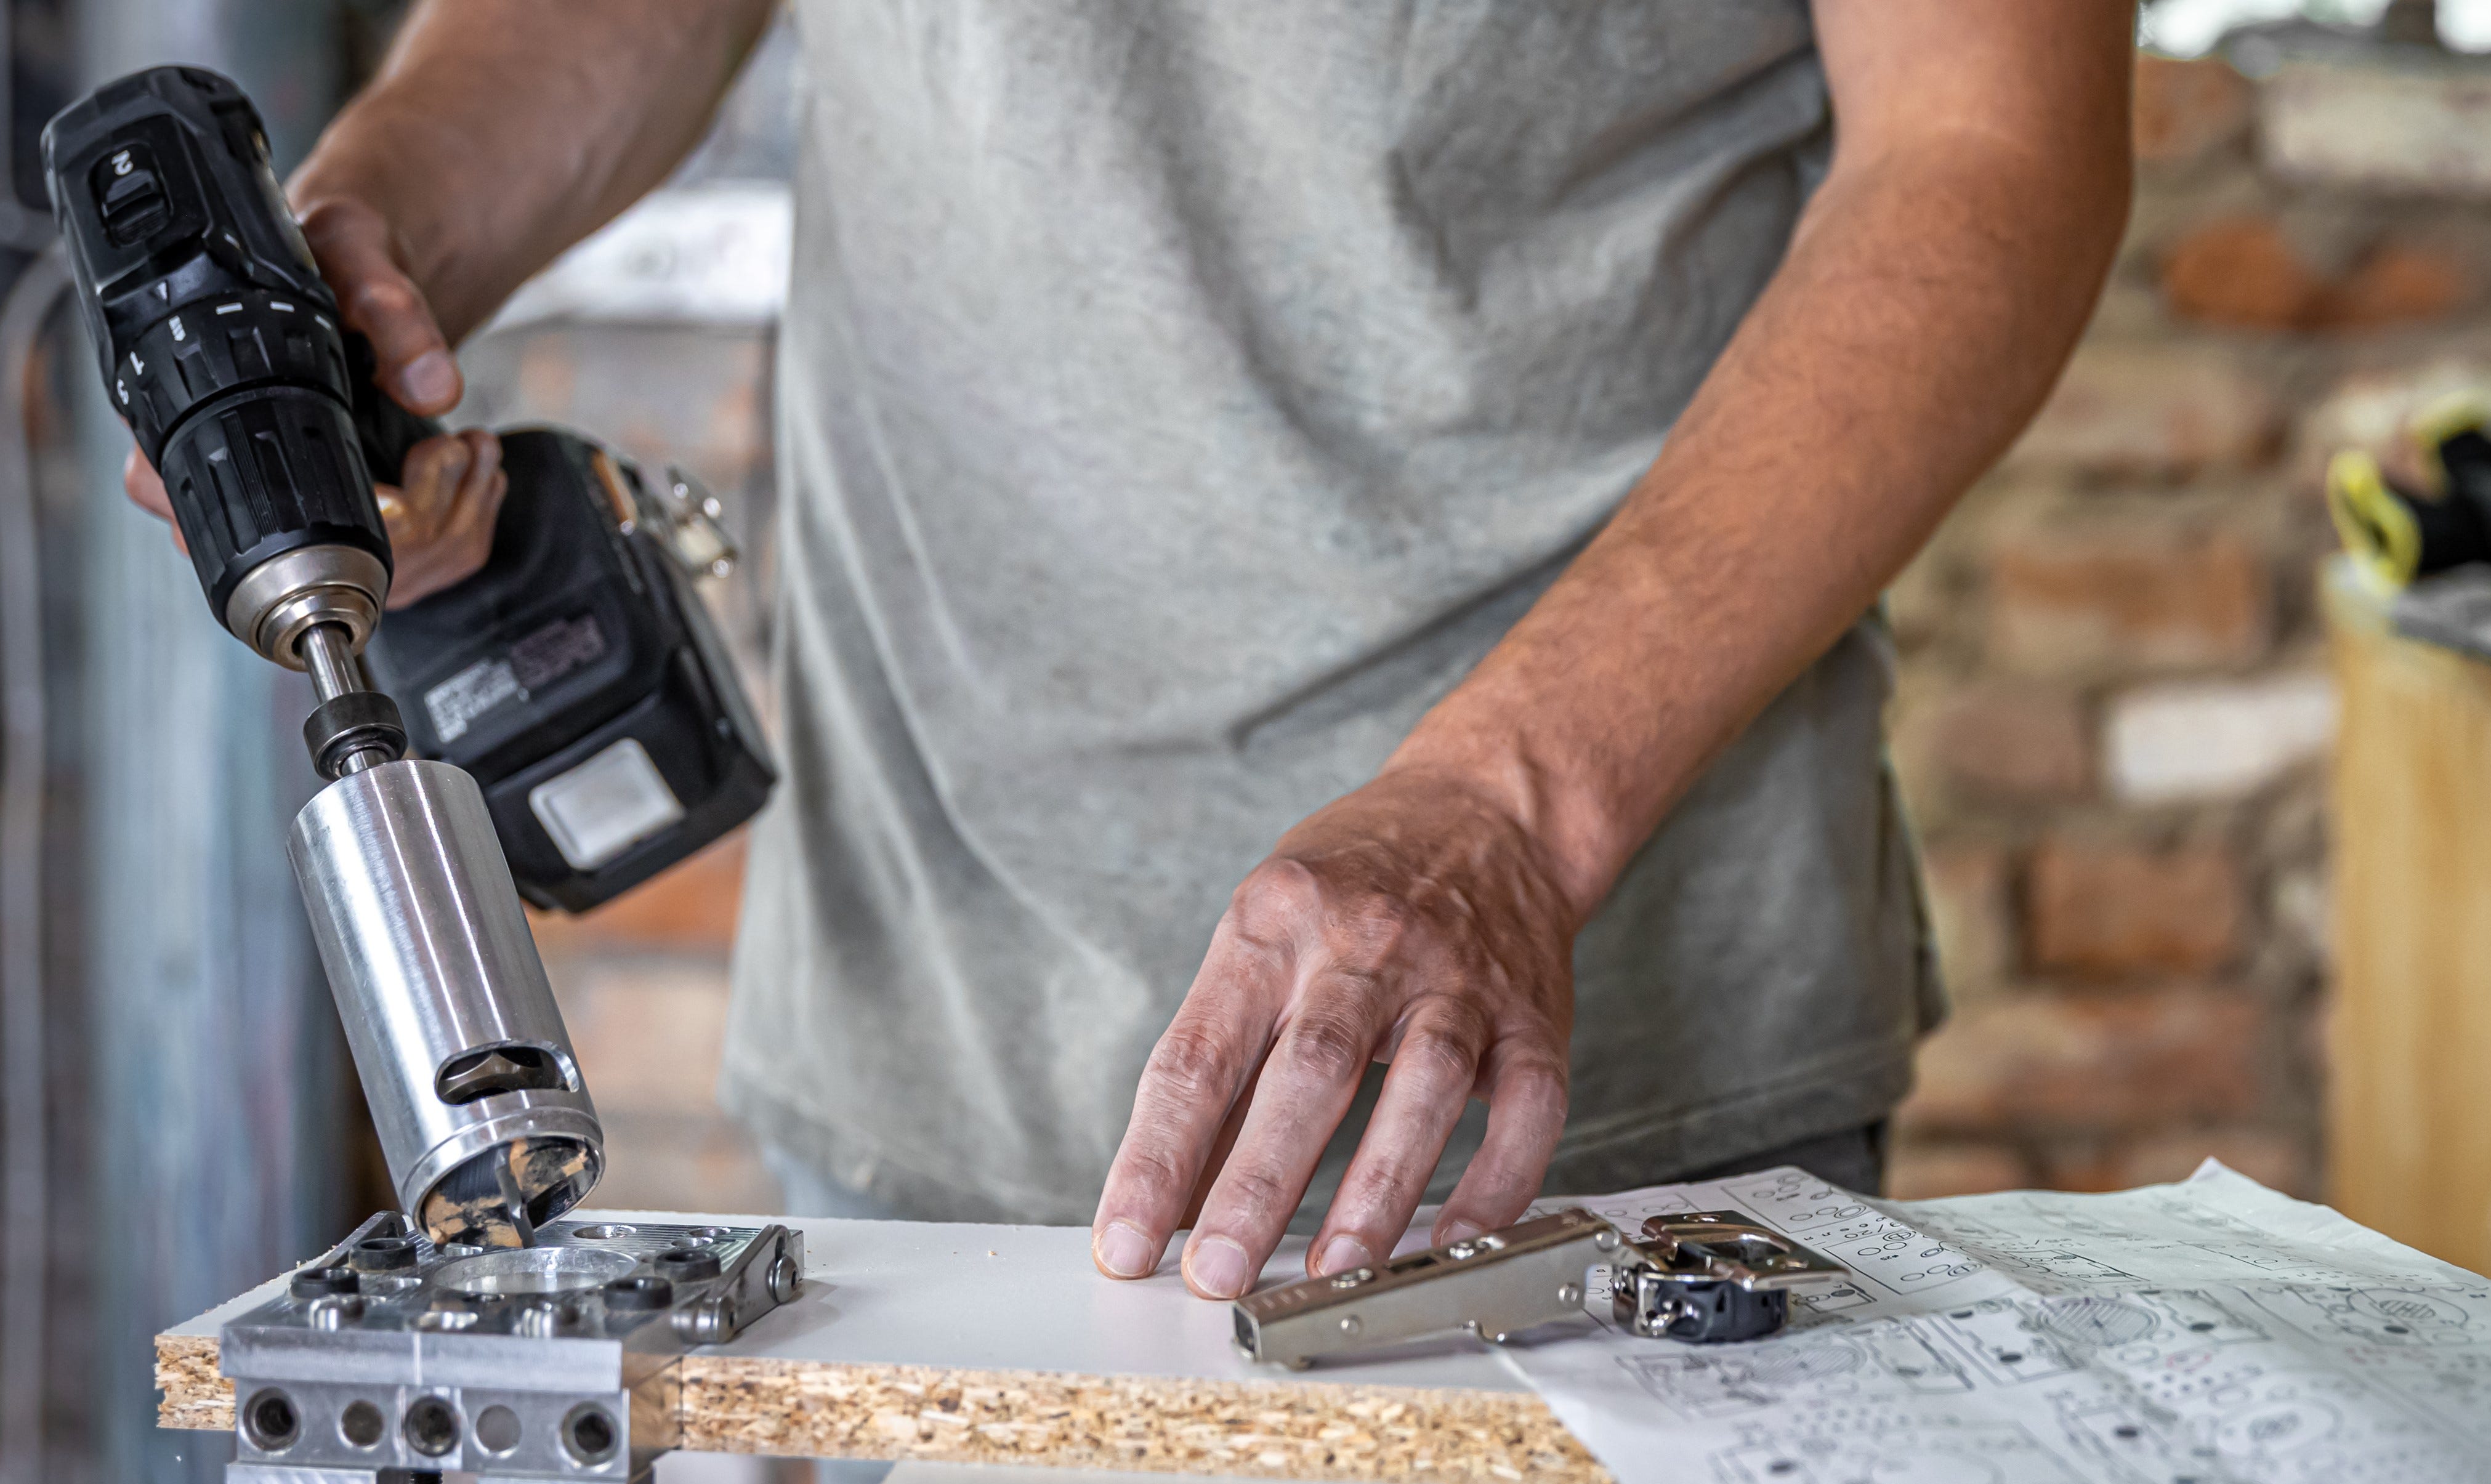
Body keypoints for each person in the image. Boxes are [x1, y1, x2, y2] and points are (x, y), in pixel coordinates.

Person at [130, 6, 2131, 1291]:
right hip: (933, 1004)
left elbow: (1985, 149)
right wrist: (364, 260)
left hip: (1589, 1051)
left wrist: (1504, 803)